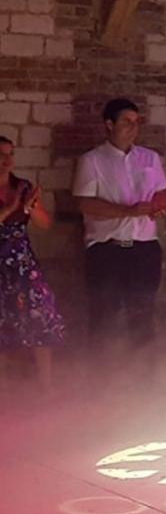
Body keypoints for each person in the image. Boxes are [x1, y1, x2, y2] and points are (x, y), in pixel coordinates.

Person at [72, 98, 166, 353]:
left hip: (144, 247)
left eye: (136, 122)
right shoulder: (92, 160)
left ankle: (142, 371)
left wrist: (158, 206)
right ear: (109, 124)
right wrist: (127, 211)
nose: (133, 127)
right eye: (126, 121)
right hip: (108, 249)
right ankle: (103, 372)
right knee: (104, 317)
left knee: (143, 314)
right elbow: (85, 203)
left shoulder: (150, 158)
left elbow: (161, 191)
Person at [0, 136, 65, 392]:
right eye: (0, 155)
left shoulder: (23, 186)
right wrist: (10, 208)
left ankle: (45, 386)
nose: (7, 160)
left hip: (22, 263)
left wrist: (30, 207)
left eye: (10, 154)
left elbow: (45, 223)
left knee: (39, 315)